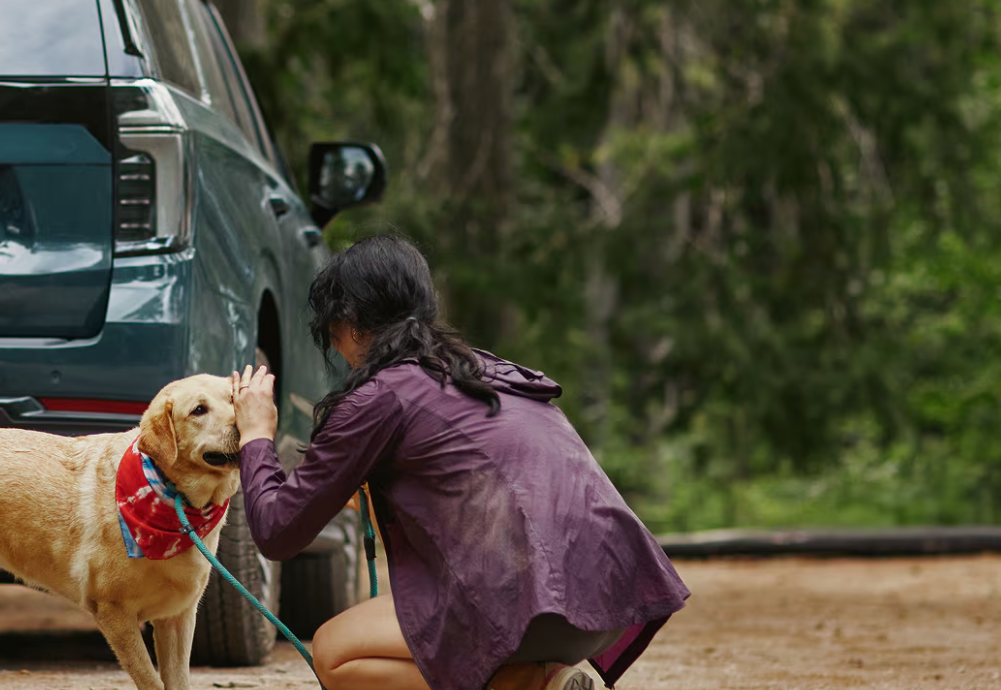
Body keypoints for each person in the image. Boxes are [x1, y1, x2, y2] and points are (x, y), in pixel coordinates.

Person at [231, 234, 689, 690]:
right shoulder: (486, 371)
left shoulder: (380, 396)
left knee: (336, 652)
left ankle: (532, 683)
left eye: (333, 335)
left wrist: (255, 433)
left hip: (533, 609)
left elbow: (276, 530)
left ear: (349, 322)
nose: (341, 354)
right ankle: (555, 678)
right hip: (605, 601)